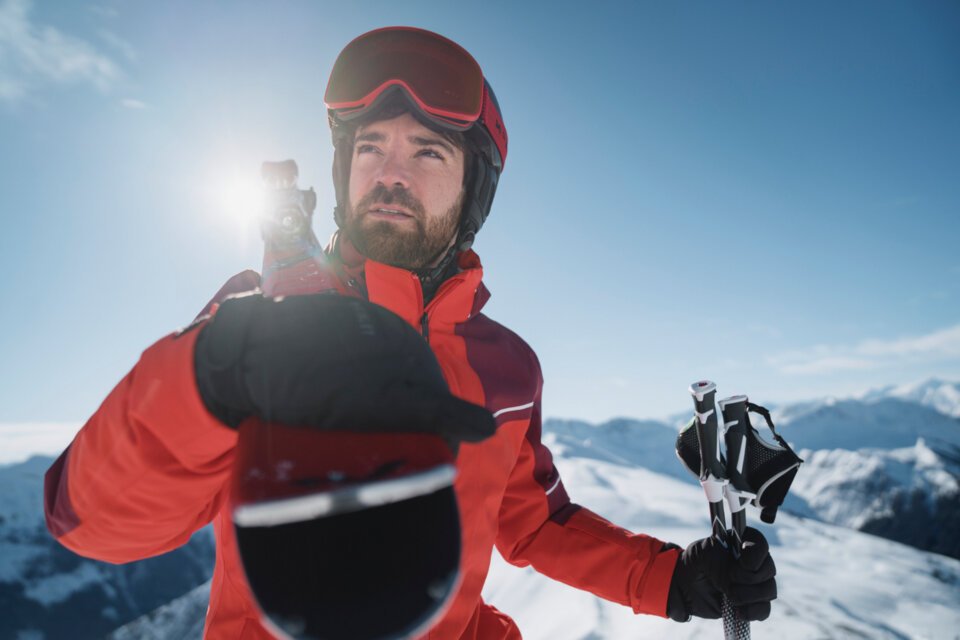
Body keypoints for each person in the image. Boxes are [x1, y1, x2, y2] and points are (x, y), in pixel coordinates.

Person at [44, 26, 776, 639]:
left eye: (428, 151)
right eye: (370, 148)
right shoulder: (260, 330)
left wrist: (675, 580)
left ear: (472, 190)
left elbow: (534, 526)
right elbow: (91, 527)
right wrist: (212, 378)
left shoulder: (507, 369)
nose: (391, 173)